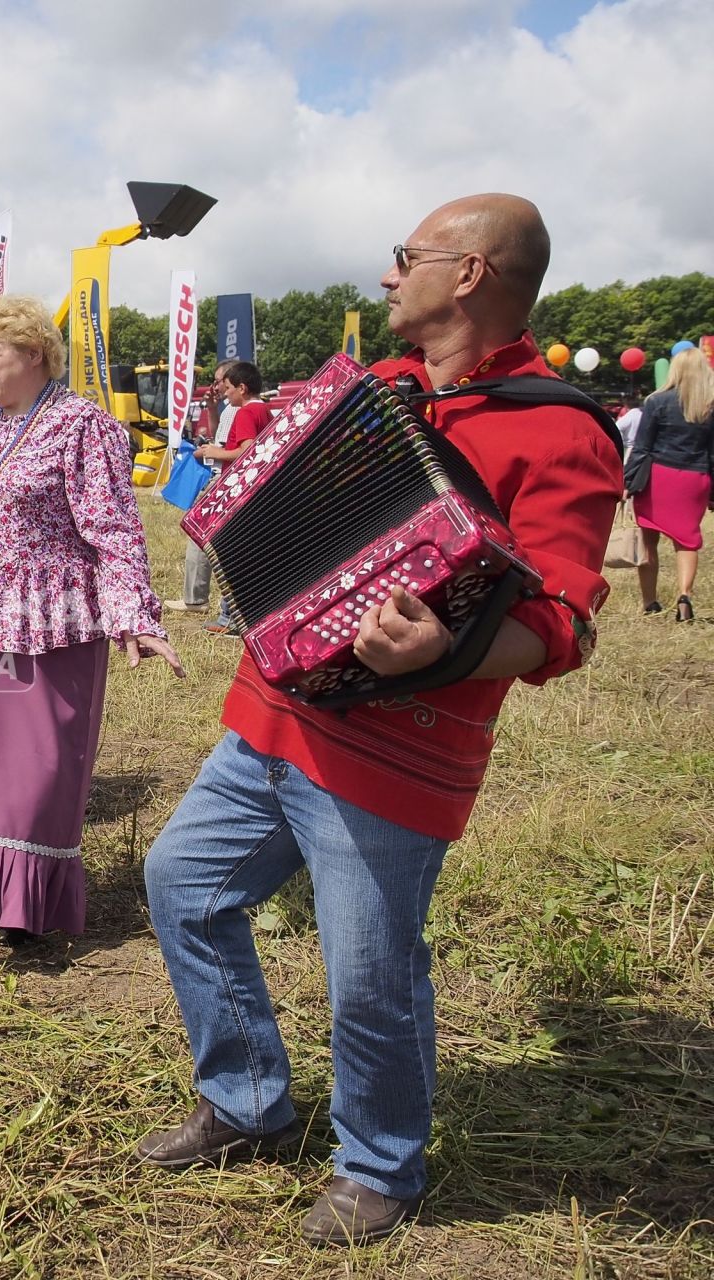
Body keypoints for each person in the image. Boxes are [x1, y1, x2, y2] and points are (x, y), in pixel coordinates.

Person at [137, 195, 620, 1246]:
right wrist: (237, 479)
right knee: (181, 882)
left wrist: (444, 648)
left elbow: (562, 619)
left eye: (410, 256)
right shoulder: (377, 389)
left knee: (369, 971)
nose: (389, 273)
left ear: (474, 274)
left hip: (400, 747)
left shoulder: (560, 426)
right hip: (270, 715)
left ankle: (380, 1161)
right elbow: (266, 461)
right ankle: (249, 1097)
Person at [0, 297, 183, 943]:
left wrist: (135, 616)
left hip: (46, 627)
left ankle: (16, 904)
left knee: (25, 769)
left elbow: (113, 531)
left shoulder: (84, 426)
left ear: (33, 355)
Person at [625, 347, 712, 620]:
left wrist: (627, 480)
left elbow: (642, 447)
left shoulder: (656, 401)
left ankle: (650, 602)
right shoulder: (710, 406)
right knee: (687, 541)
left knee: (648, 541)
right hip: (695, 479)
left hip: (658, 478)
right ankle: (684, 596)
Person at [195, 361, 270, 635]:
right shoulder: (264, 409)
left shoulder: (245, 413)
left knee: (230, 552)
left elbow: (247, 451)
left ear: (242, 388)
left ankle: (230, 617)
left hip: (239, 491)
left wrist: (212, 452)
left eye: (227, 388)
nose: (224, 393)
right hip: (256, 491)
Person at [168, 360, 235, 616]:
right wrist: (211, 407)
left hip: (221, 479)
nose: (215, 386)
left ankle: (198, 600)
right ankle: (201, 599)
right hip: (221, 477)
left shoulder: (240, 410)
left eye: (219, 381)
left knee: (199, 534)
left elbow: (236, 447)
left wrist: (207, 452)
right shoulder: (232, 408)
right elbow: (221, 435)